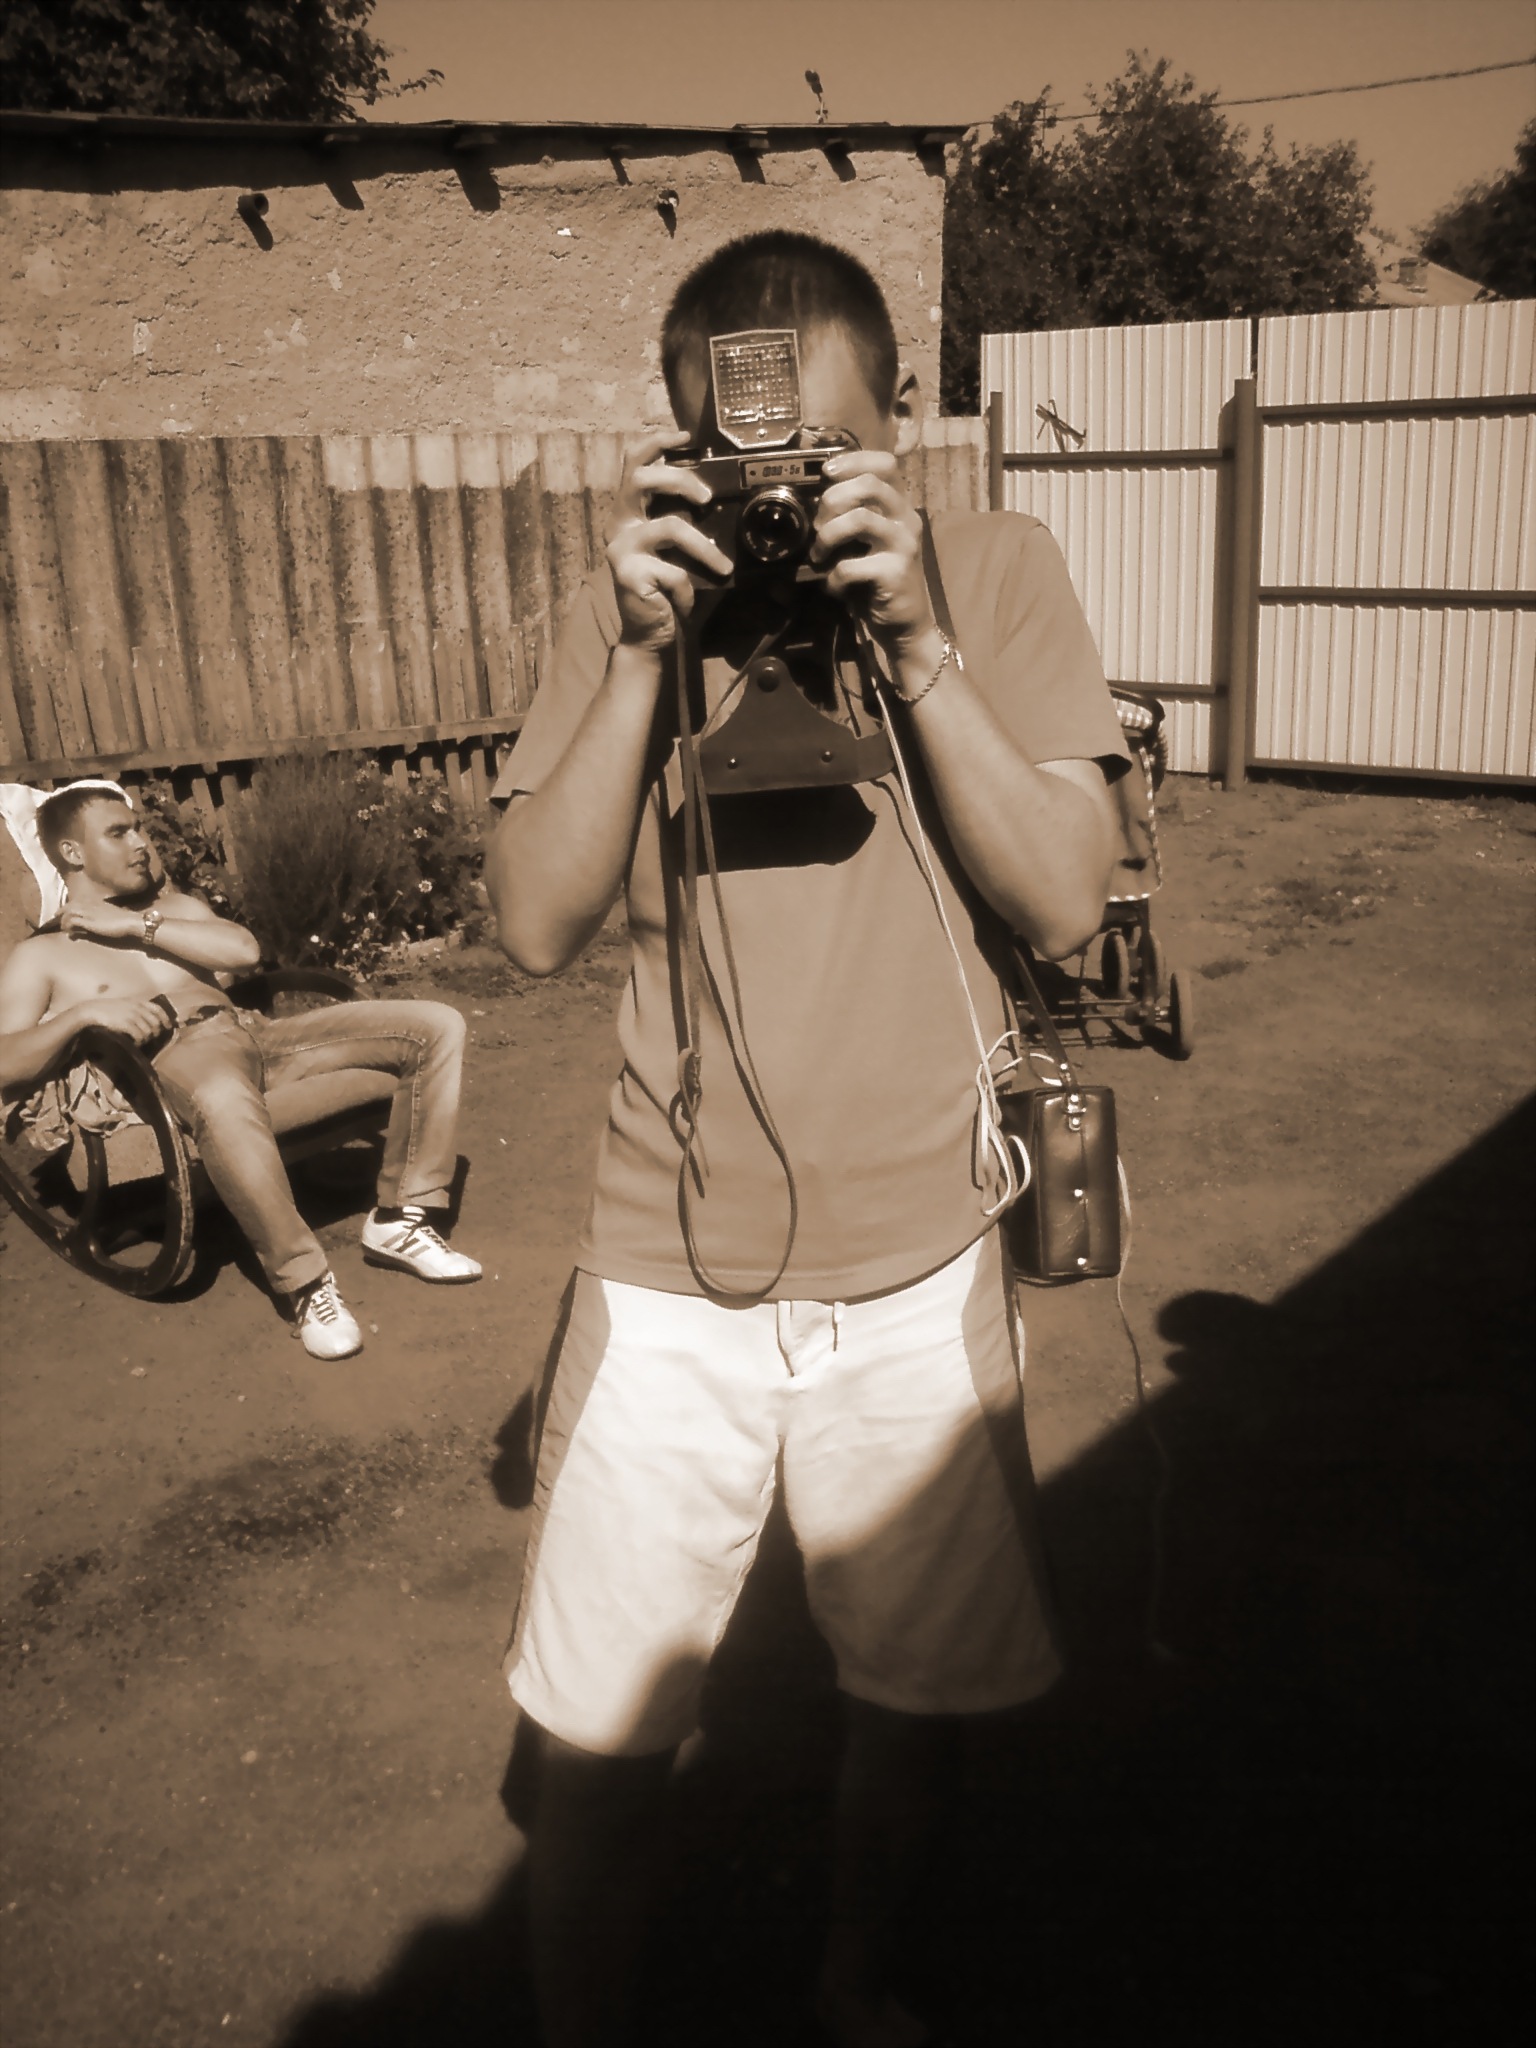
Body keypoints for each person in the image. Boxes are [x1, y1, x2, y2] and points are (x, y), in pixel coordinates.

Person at [485, 230, 1130, 2048]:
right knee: (597, 1745)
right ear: (680, 448)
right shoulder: (635, 609)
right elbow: (529, 926)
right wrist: (640, 657)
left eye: (822, 453)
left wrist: (915, 642)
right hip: (663, 1265)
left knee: (910, 1702)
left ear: (903, 421)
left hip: (927, 1261)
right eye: (734, 460)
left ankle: (853, 1977)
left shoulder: (996, 570)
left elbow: (1067, 901)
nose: (776, 501)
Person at [0, 783, 480, 1357]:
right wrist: (79, 1017)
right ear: (72, 853)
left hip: (259, 1036)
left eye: (140, 829)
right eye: (119, 833)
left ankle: (401, 1218)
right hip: (178, 1058)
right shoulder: (42, 955)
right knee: (223, 1096)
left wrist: (135, 926)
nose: (141, 844)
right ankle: (305, 1283)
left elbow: (244, 953)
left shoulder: (173, 911)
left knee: (435, 1024)